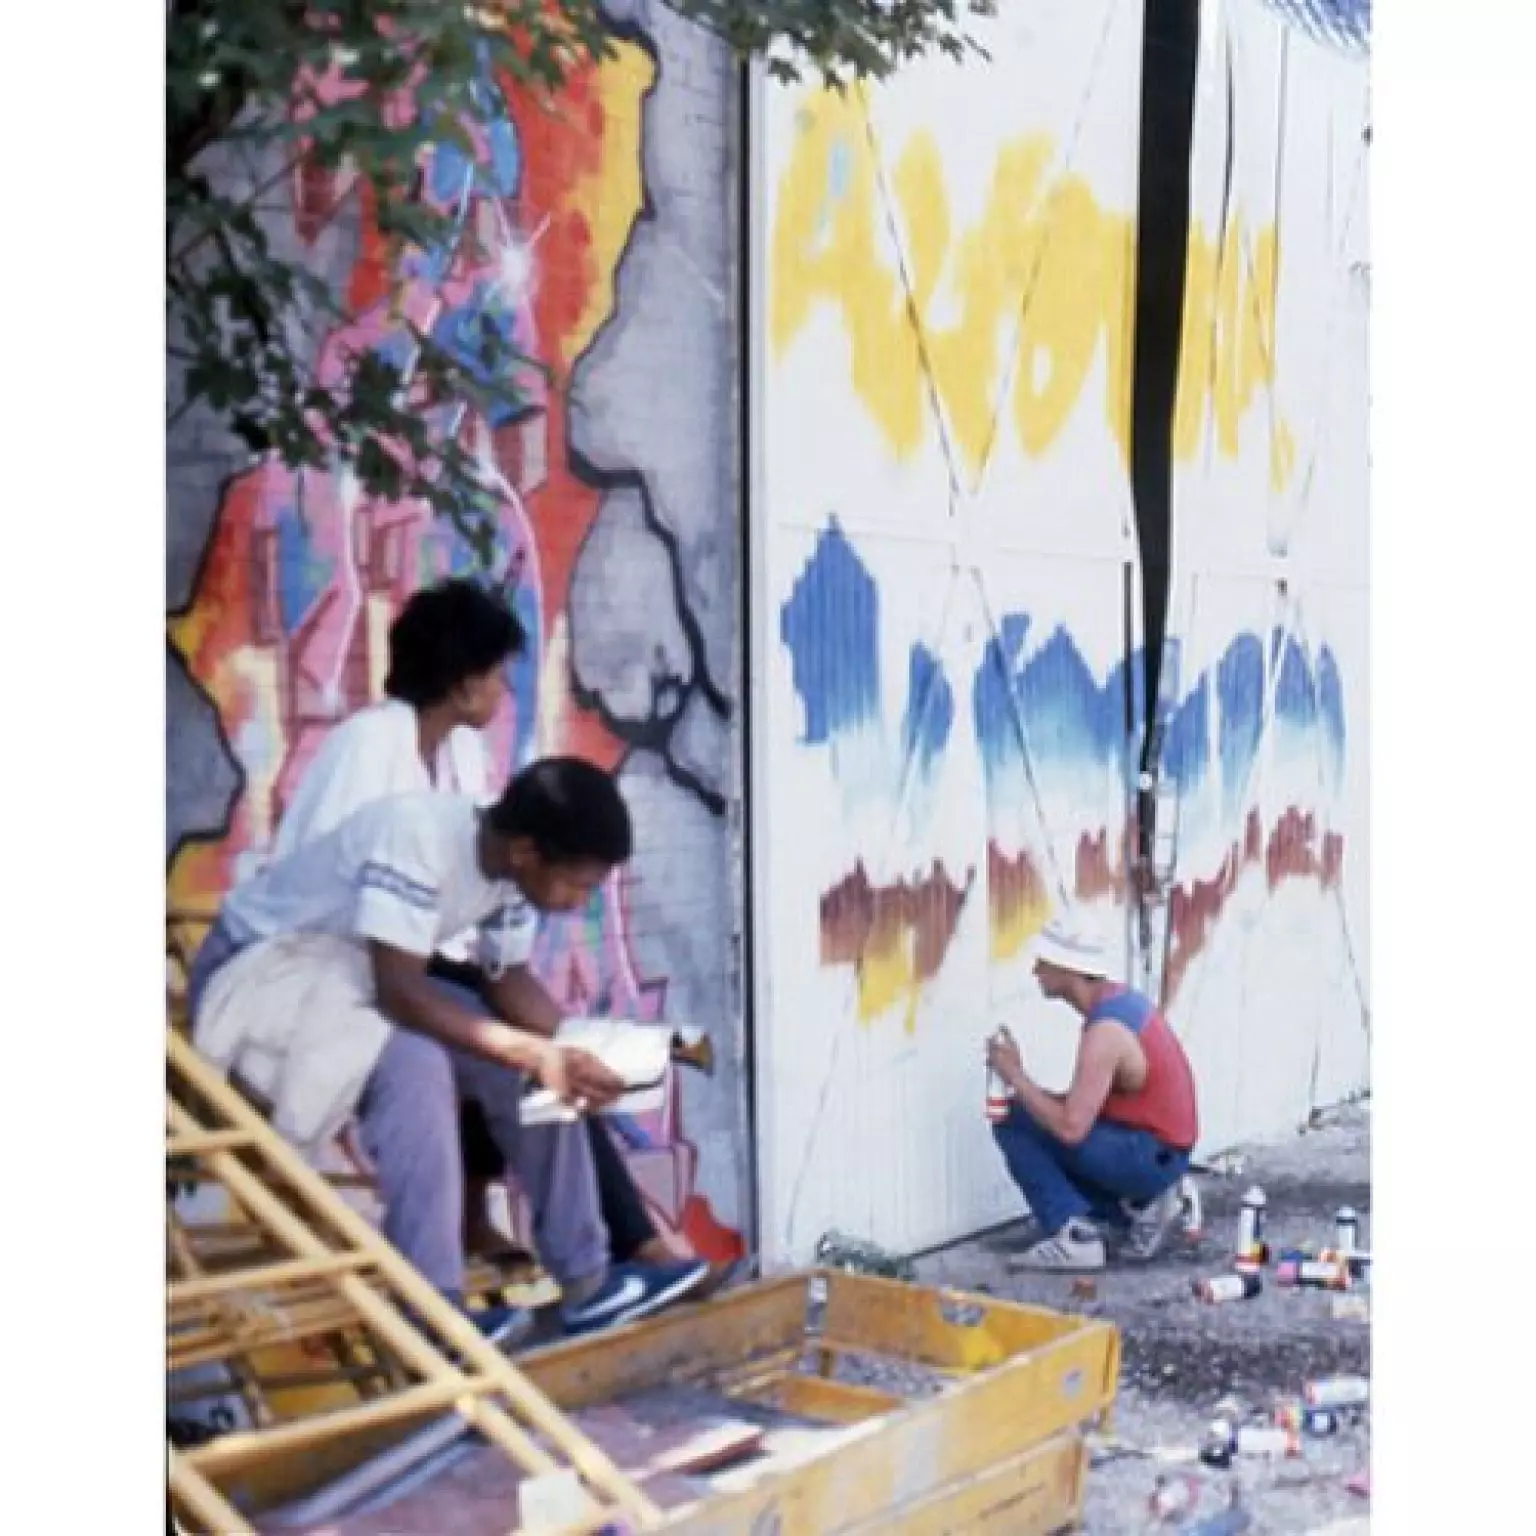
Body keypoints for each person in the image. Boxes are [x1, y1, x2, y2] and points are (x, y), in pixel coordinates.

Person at [186, 758, 709, 1338]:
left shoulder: (511, 871)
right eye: (576, 884)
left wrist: (580, 1051)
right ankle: (434, 1312)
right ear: (527, 852)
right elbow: (401, 993)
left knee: (535, 1068)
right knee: (418, 1065)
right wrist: (535, 1053)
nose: (577, 900)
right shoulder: (417, 836)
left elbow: (507, 982)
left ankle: (588, 1282)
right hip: (260, 974)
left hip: (347, 976)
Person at [267, 578, 692, 1273]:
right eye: (496, 675)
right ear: (465, 684)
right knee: (499, 1040)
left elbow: (482, 906)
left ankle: (606, 1256)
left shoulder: (459, 754)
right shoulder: (368, 745)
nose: (502, 691)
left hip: (414, 956)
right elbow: (341, 905)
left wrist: (583, 1045)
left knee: (544, 1051)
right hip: (332, 963)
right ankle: (627, 1247)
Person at [986, 911, 1199, 1272]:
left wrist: (1016, 1077)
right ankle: (1145, 1206)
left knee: (1011, 1120)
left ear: (1068, 968)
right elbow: (1080, 1106)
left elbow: (1071, 1127)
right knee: (1033, 1115)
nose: (1035, 971)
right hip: (1160, 1151)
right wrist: (1024, 1085)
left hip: (1150, 1155)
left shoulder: (1105, 1032)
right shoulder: (1121, 1005)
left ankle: (1076, 1238)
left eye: (1044, 962)